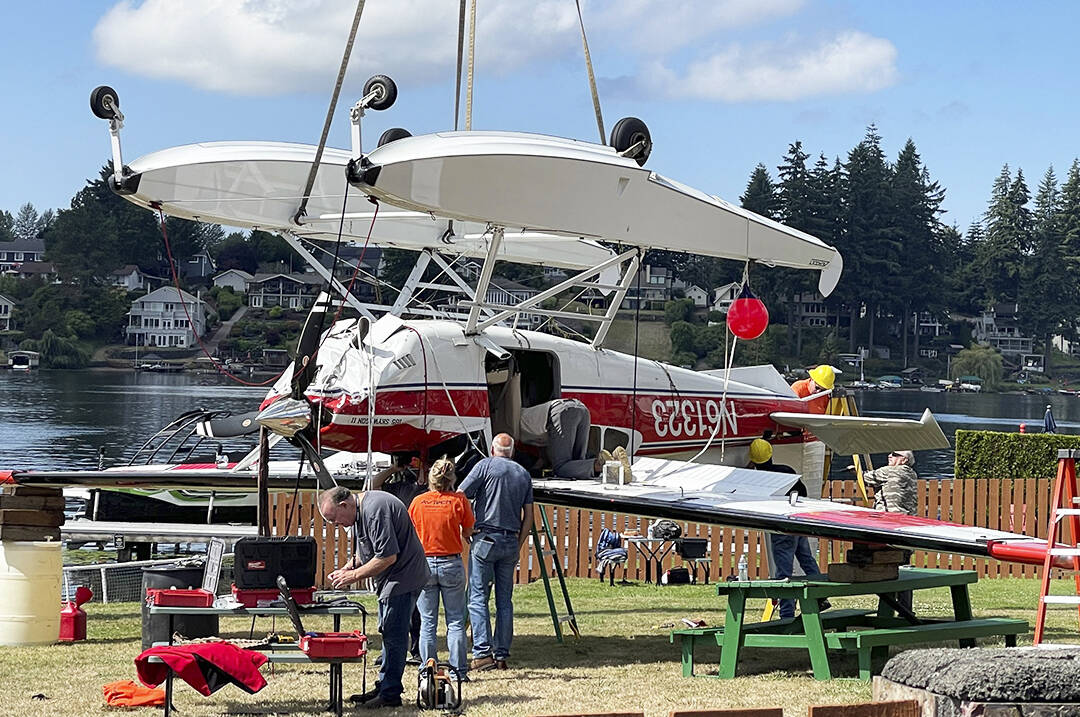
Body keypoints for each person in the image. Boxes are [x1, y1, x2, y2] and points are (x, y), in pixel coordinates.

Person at [318, 486, 430, 709]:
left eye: (335, 520)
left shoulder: (376, 509)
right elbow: (367, 548)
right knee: (387, 632)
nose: (336, 525)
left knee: (395, 635)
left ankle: (390, 694)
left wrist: (353, 576)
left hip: (403, 577)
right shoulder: (360, 512)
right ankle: (384, 685)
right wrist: (347, 567)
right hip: (393, 578)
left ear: (344, 505)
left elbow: (387, 556)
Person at [458, 433, 534, 671]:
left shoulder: (485, 465)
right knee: (505, 601)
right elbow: (528, 516)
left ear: (493, 449)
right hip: (510, 540)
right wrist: (519, 542)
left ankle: (482, 653)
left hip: (486, 537)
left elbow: (460, 494)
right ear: (512, 451)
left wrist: (467, 528)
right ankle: (501, 654)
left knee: (478, 598)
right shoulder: (523, 474)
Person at [408, 457, 475, 681]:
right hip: (451, 562)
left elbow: (410, 532)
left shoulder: (418, 502)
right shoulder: (459, 500)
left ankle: (427, 670)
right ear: (452, 479)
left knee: (428, 621)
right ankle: (458, 672)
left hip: (424, 563)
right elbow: (468, 531)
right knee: (455, 620)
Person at [748, 438, 825, 619]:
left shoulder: (756, 480)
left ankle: (787, 615)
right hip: (796, 525)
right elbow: (803, 493)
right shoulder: (786, 472)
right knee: (807, 562)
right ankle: (821, 597)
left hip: (781, 529)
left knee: (784, 574)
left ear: (752, 460)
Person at [372, 459, 426, 665]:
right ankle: (390, 650)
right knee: (390, 605)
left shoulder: (430, 490)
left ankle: (417, 649)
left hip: (417, 551)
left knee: (416, 608)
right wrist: (394, 468)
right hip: (397, 549)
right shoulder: (398, 488)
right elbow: (374, 485)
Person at [862, 450, 919, 613]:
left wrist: (855, 469)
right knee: (904, 566)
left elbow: (867, 478)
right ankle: (905, 609)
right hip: (907, 525)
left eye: (895, 455)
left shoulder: (891, 471)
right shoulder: (911, 474)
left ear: (904, 460)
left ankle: (887, 610)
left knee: (888, 565)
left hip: (890, 525)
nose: (890, 456)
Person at [519, 398, 600, 478]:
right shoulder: (526, 421)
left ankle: (599, 465)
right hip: (581, 408)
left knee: (560, 467)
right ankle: (607, 464)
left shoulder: (512, 428)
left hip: (562, 411)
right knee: (578, 465)